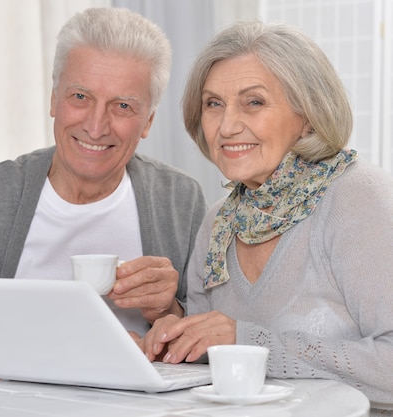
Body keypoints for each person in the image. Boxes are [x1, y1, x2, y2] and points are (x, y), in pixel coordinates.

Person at [0, 7, 207, 364]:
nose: (96, 127)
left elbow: (220, 342)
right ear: (53, 100)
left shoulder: (179, 201)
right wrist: (57, 342)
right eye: (80, 97)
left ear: (148, 121)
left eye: (123, 106)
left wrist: (167, 310)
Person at [137, 21, 393, 411]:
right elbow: (212, 362)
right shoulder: (218, 223)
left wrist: (248, 341)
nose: (227, 125)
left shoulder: (357, 197)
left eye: (253, 102)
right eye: (213, 104)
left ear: (307, 114)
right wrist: (175, 336)